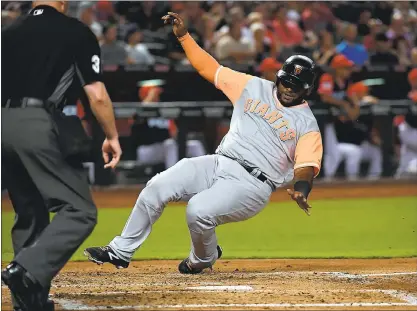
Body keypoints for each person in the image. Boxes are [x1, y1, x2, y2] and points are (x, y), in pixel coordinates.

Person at [84, 11, 322, 275]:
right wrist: (184, 37)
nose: (288, 88)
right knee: (158, 186)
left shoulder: (306, 124)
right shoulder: (253, 87)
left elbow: (306, 166)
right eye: (286, 81)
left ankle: (202, 258)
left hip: (254, 184)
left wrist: (302, 189)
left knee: (198, 211)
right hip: (219, 162)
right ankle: (120, 250)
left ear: (307, 90)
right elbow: (208, 68)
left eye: (295, 86)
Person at [1, 1, 122, 310]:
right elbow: (96, 94)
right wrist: (111, 135)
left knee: (30, 212)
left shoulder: (7, 32)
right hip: (35, 121)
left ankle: (28, 303)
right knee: (80, 211)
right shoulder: (74, 31)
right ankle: (25, 270)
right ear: (64, 2)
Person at [131, 81, 206, 169]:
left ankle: (208, 177)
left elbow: (174, 133)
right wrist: (150, 96)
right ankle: (173, 179)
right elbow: (137, 116)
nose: (157, 95)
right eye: (154, 92)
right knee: (170, 145)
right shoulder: (139, 109)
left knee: (195, 145)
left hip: (166, 147)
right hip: (145, 150)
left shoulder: (163, 111)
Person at [316, 54, 360, 179]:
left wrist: (354, 107)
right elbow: (325, 97)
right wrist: (344, 104)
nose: (348, 71)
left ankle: (326, 180)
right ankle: (323, 180)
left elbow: (353, 99)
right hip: (315, 120)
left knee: (332, 153)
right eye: (345, 68)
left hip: (327, 122)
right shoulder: (327, 78)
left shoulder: (346, 82)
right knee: (323, 153)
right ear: (337, 68)